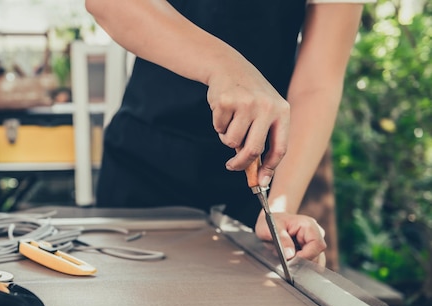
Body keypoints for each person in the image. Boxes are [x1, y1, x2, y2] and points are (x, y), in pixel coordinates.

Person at [86, 0, 375, 264]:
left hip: (255, 178)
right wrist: (225, 66)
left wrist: (278, 206)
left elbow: (318, 84)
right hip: (143, 163)